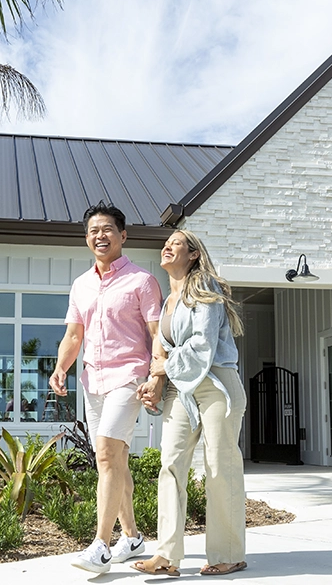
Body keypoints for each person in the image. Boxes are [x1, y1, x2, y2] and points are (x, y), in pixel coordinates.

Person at [50, 201, 163, 574]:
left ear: (123, 235)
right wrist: (60, 367)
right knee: (114, 462)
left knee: (105, 456)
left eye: (108, 230)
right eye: (94, 231)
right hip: (92, 380)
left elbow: (156, 334)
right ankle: (131, 537)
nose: (101, 236)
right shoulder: (81, 285)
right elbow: (73, 333)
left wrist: (156, 376)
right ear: (87, 238)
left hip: (129, 377)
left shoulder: (142, 281)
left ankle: (100, 546)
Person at [134, 229, 248, 577]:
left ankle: (228, 553)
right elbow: (162, 350)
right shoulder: (169, 301)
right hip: (182, 390)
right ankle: (166, 555)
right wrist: (156, 381)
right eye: (166, 243)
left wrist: (164, 366)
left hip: (216, 386)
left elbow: (203, 345)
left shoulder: (205, 289)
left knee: (219, 466)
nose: (167, 246)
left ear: (194, 254)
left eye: (176, 243)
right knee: (170, 464)